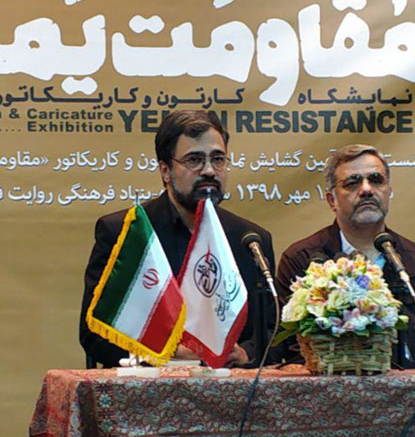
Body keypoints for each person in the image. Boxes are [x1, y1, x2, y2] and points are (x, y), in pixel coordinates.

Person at [80, 110, 276, 368]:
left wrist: (244, 353)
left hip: (230, 385)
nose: (209, 170)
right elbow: (94, 335)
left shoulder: (250, 239)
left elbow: (273, 333)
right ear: (165, 170)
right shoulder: (126, 232)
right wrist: (169, 353)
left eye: (218, 159)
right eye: (194, 160)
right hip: (147, 386)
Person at [275, 144, 415, 367]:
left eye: (376, 180)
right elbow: (292, 348)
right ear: (331, 200)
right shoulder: (302, 259)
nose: (366, 189)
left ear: (389, 192)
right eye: (352, 182)